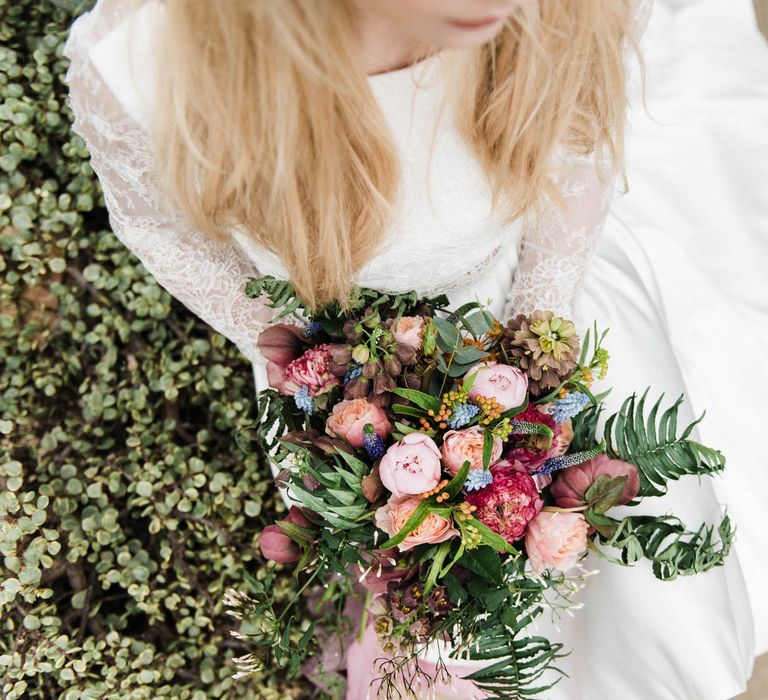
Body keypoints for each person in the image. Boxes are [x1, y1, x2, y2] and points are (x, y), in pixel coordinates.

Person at [62, 0, 762, 697]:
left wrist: (538, 324)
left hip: (531, 289)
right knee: (424, 627)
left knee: (627, 618)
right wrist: (305, 361)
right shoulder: (143, 61)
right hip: (338, 382)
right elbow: (167, 235)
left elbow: (577, 137)